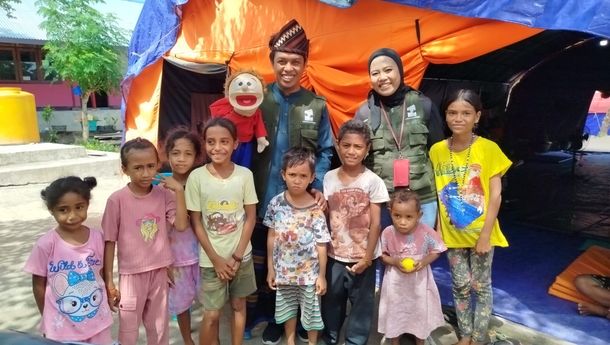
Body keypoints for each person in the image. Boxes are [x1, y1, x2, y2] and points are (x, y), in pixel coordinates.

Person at [248, 18, 334, 344]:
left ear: (304, 65)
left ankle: (302, 322)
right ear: (272, 62)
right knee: (265, 260)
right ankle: (272, 318)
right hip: (257, 197)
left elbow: (326, 150)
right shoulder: (255, 99)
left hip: (301, 203)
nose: (288, 68)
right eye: (281, 61)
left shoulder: (316, 105)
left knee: (303, 261)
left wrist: (318, 187)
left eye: (295, 62)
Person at [429, 89, 512, 345]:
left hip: (481, 234)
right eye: (452, 112)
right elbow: (436, 191)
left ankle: (478, 337)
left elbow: (496, 195)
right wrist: (438, 230)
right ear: (445, 116)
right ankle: (464, 335)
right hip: (453, 234)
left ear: (477, 116)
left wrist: (486, 234)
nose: (458, 118)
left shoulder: (489, 149)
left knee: (481, 286)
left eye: (466, 113)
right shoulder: (436, 151)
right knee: (460, 285)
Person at [102, 138, 189, 345]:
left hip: (160, 271)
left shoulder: (164, 194)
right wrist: (109, 280)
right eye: (138, 168)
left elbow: (181, 225)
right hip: (131, 275)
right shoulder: (117, 200)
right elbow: (109, 241)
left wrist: (179, 191)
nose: (146, 173)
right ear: (125, 169)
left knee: (159, 329)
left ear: (158, 165)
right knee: (128, 331)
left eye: (151, 166)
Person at [185, 117, 258, 345]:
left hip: (241, 256)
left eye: (224, 141)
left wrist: (237, 256)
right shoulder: (196, 177)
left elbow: (250, 217)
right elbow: (196, 222)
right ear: (204, 144)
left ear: (235, 143)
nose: (217, 147)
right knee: (212, 314)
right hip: (211, 260)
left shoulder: (245, 175)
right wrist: (216, 259)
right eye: (211, 142)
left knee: (238, 305)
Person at [354, 47, 444, 229]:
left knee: (420, 254)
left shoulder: (423, 105)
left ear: (400, 72)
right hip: (382, 200)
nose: (382, 77)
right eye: (375, 73)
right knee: (387, 255)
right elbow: (356, 159)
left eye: (388, 70)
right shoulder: (364, 113)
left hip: (422, 198)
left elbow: (439, 154)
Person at [322, 119, 390, 345]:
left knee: (362, 304)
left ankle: (355, 341)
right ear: (338, 145)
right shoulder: (329, 177)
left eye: (358, 147)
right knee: (332, 301)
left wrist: (368, 258)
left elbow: (376, 224)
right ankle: (330, 337)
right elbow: (327, 215)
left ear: (367, 149)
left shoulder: (374, 181)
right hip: (334, 255)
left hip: (363, 257)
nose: (351, 151)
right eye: (346, 145)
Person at [24, 176, 113, 344]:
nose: (72, 215)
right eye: (63, 210)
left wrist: (110, 294)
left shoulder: (97, 238)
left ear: (87, 204)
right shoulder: (46, 244)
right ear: (51, 210)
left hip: (98, 321)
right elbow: (38, 285)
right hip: (62, 327)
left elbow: (101, 274)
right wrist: (48, 318)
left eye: (79, 207)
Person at [264, 147, 331, 345]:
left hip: (309, 274)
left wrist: (321, 276)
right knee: (287, 311)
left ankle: (312, 343)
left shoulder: (316, 208)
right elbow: (271, 236)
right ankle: (290, 341)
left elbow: (321, 244)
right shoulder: (276, 203)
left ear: (312, 177)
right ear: (283, 174)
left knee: (311, 315)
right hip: (284, 271)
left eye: (303, 175)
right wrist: (270, 268)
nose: (297, 180)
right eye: (292, 174)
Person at [378, 188, 446, 345]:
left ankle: (420, 339)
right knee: (396, 308)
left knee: (419, 309)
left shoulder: (426, 232)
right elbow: (382, 255)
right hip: (396, 283)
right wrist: (394, 261)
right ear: (390, 212)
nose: (402, 221)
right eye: (397, 216)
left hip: (419, 282)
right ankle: (394, 339)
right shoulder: (388, 232)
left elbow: (437, 250)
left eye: (409, 217)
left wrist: (424, 262)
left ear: (419, 216)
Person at [165, 127, 203, 345]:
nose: (181, 159)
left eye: (188, 154)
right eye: (176, 153)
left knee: (209, 302)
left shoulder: (202, 181)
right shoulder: (160, 185)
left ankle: (210, 337)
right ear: (168, 155)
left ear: (197, 156)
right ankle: (188, 339)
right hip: (175, 256)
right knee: (181, 304)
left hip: (203, 252)